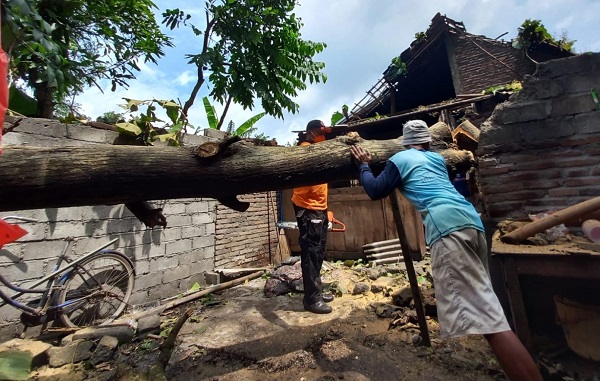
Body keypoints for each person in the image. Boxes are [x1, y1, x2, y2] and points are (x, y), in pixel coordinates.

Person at [350, 120, 543, 381]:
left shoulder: (400, 158)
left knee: (490, 321)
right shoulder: (438, 160)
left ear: (406, 142)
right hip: (472, 223)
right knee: (489, 307)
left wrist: (363, 164)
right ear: (429, 141)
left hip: (448, 228)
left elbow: (375, 189)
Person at [292, 119, 334, 314]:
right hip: (308, 208)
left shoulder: (319, 150)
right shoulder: (305, 149)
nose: (324, 137)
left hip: (320, 208)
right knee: (311, 251)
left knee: (318, 252)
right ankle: (311, 300)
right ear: (310, 133)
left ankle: (316, 291)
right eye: (321, 133)